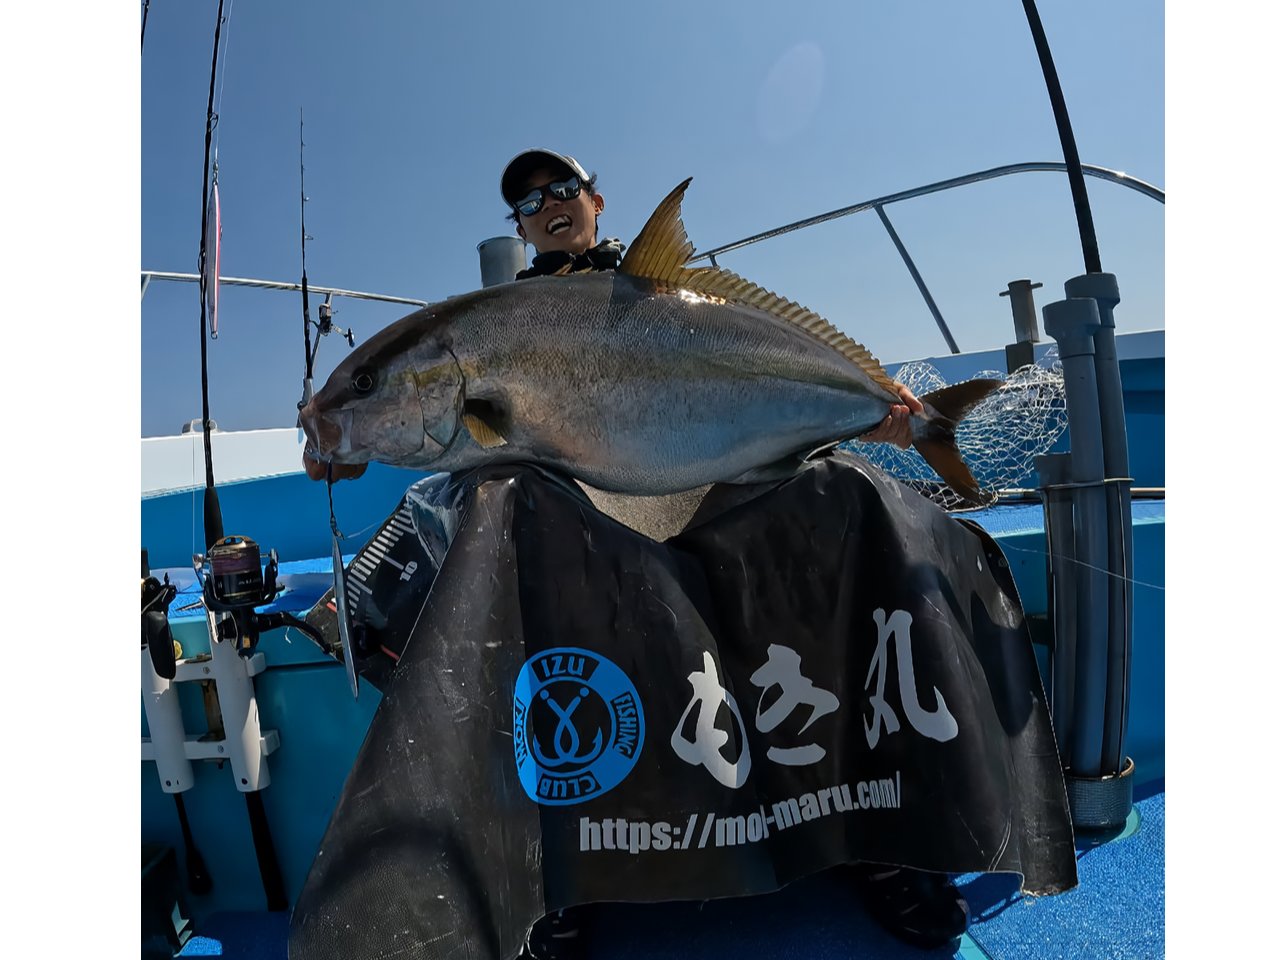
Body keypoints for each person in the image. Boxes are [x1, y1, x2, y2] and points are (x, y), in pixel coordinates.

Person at [501, 149, 967, 958]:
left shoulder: (676, 297)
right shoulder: (503, 321)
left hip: (712, 483)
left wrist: (876, 413)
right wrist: (348, 433)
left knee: (846, 502)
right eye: (530, 199)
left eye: (564, 188)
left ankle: (882, 833)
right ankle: (558, 871)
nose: (550, 203)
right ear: (518, 226)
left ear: (597, 200)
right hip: (591, 509)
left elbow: (747, 379)